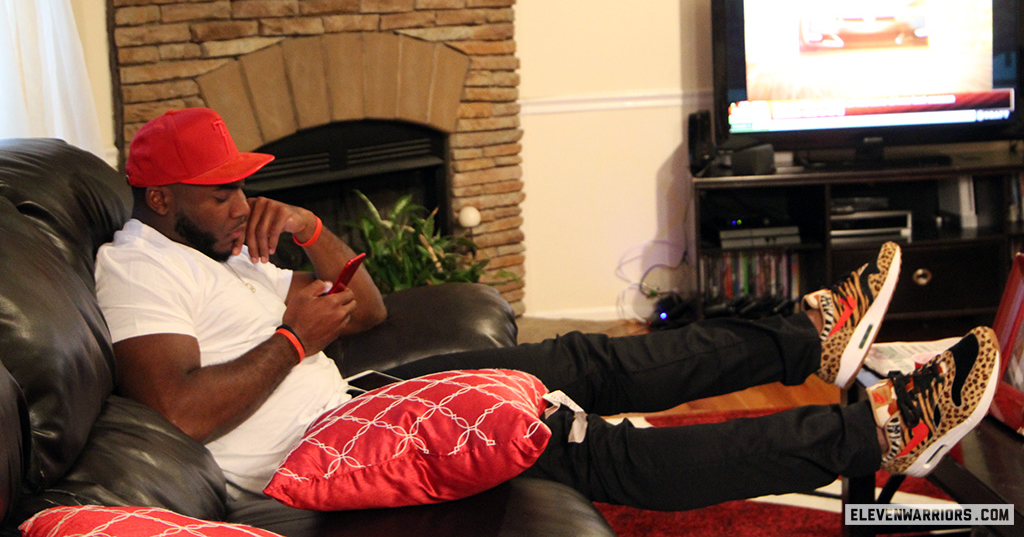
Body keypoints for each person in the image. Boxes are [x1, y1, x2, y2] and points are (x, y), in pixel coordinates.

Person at [95, 107, 1001, 512]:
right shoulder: (136, 271)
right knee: (594, 445)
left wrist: (305, 226)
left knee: (582, 360)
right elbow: (175, 409)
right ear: (159, 197)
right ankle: (878, 431)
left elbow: (364, 313)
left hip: (351, 393)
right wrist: (296, 336)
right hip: (316, 451)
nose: (234, 203)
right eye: (215, 193)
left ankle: (808, 337)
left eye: (240, 186)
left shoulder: (229, 241)